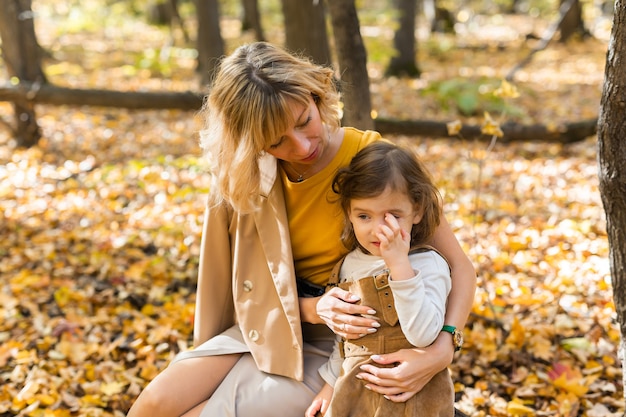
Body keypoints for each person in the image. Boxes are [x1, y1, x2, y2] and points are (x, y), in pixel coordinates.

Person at [126, 41, 476, 417]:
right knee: (154, 405)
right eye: (276, 141)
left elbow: (460, 266)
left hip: (344, 341)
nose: (302, 145)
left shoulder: (375, 163)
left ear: (314, 95)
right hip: (272, 322)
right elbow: (237, 286)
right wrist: (313, 309)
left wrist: (442, 348)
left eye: (304, 121)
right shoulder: (249, 175)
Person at [305, 141, 454, 417]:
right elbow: (347, 339)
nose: (377, 229)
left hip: (413, 396)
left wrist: (399, 265)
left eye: (392, 216)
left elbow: (423, 335)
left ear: (417, 211)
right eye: (364, 216)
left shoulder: (428, 263)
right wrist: (330, 385)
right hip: (356, 392)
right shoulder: (349, 265)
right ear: (349, 214)